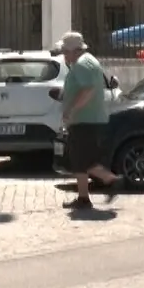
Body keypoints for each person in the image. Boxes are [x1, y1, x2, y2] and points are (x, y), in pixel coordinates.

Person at [57, 31, 120, 210]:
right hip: (89, 119)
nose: (63, 54)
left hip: (85, 120)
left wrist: (71, 109)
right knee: (80, 160)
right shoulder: (87, 61)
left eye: (64, 50)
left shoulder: (82, 65)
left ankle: (110, 180)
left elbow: (88, 90)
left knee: (83, 160)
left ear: (73, 50)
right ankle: (83, 198)